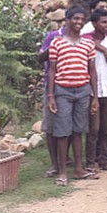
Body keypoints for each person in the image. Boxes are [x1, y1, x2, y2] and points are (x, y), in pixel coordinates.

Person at [47, 6, 100, 186]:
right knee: (63, 132)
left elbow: (92, 71)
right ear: (67, 20)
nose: (78, 22)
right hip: (63, 91)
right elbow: (52, 71)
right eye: (75, 19)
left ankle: (79, 169)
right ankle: (62, 172)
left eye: (81, 19)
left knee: (78, 131)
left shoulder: (88, 44)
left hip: (83, 91)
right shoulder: (57, 43)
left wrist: (95, 97)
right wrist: (50, 96)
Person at [83, 9, 107, 172]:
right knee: (94, 129)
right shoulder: (86, 42)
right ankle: (91, 162)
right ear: (94, 24)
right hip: (92, 92)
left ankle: (105, 160)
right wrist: (102, 50)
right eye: (103, 22)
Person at [37, 24, 65, 178]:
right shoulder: (53, 36)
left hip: (72, 84)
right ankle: (55, 164)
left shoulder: (81, 38)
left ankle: (65, 159)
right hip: (52, 85)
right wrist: (54, 45)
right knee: (50, 124)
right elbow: (40, 57)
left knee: (67, 124)